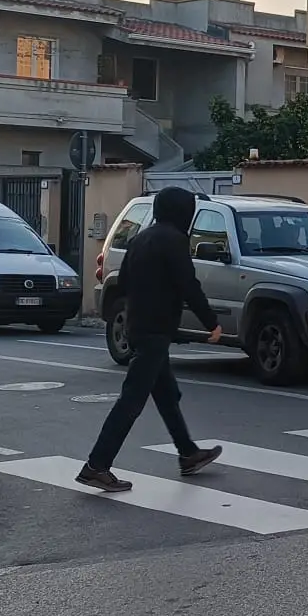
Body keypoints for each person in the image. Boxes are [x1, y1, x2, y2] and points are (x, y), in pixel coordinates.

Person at [78, 186, 225, 493]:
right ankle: (96, 465)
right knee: (131, 401)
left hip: (139, 326)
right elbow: (188, 284)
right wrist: (211, 322)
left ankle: (188, 453)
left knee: (166, 395)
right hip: (155, 331)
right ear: (181, 212)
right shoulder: (174, 240)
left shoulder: (141, 238)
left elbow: (128, 282)